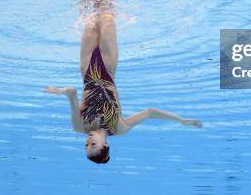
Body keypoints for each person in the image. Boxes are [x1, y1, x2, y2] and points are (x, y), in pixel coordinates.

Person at [45, 12, 202, 164]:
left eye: (86, 145)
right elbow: (150, 113)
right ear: (105, 145)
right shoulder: (119, 128)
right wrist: (180, 120)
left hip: (87, 69)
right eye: (93, 145)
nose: (88, 141)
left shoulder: (79, 127)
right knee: (106, 16)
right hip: (108, 67)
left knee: (90, 16)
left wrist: (60, 91)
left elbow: (72, 92)